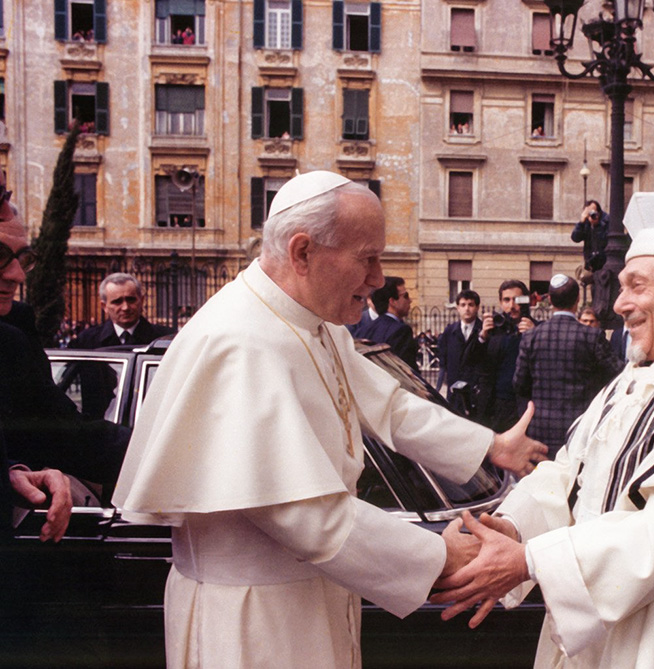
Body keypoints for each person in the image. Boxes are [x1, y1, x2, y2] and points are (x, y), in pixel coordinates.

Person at [111, 171, 547, 668]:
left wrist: (489, 447)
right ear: (302, 252)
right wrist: (440, 558)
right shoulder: (240, 341)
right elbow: (305, 513)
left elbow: (388, 405)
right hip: (252, 620)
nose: (380, 278)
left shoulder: (308, 321)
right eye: (368, 258)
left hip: (313, 594)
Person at [433, 192, 654, 669]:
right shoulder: (631, 379)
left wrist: (530, 561)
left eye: (636, 286)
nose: (619, 304)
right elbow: (568, 473)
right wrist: (513, 525)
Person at [0, 203, 129, 499]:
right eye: (0, 256)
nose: (18, 275)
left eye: (24, 258)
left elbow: (58, 429)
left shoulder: (13, 333)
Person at [513, 275, 623, 458]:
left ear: (549, 299)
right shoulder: (591, 337)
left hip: (541, 429)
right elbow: (617, 376)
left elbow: (519, 384)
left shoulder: (531, 337)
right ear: (577, 299)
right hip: (581, 428)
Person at [466, 279, 536, 432]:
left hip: (525, 404)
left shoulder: (537, 328)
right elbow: (469, 360)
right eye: (507, 300)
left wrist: (535, 334)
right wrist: (482, 336)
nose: (512, 305)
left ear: (526, 301)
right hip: (495, 404)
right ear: (500, 302)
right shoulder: (493, 328)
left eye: (517, 300)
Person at [69, 273, 175, 348]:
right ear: (104, 306)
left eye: (131, 300)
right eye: (117, 302)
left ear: (142, 301)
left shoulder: (165, 339)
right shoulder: (86, 342)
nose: (125, 307)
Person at [353, 276, 418, 371]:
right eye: (405, 296)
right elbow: (407, 371)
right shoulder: (401, 331)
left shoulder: (364, 329)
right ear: (392, 302)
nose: (410, 300)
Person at [438, 289, 483, 412]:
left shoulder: (484, 330)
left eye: (471, 305)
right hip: (455, 392)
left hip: (476, 393)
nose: (467, 309)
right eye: (463, 305)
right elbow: (444, 359)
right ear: (457, 307)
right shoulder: (449, 331)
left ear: (477, 307)